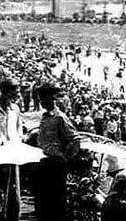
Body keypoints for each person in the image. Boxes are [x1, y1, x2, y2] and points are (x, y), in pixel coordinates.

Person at [34, 82, 82, 221]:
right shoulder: (44, 117)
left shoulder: (60, 117)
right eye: (40, 98)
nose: (42, 101)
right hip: (42, 162)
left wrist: (64, 157)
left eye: (45, 98)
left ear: (53, 98)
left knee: (56, 203)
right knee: (42, 201)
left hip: (55, 165)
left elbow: (75, 139)